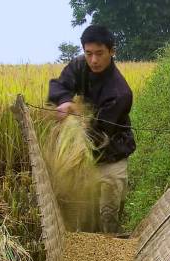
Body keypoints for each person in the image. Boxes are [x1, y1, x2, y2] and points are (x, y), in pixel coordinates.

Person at [47, 25, 136, 234]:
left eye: (99, 54)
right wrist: (65, 100)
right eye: (89, 54)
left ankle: (111, 254)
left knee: (108, 213)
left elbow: (98, 132)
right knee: (84, 213)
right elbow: (59, 85)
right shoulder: (80, 66)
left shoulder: (120, 92)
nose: (93, 60)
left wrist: (77, 119)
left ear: (112, 51)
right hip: (86, 157)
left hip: (112, 155)